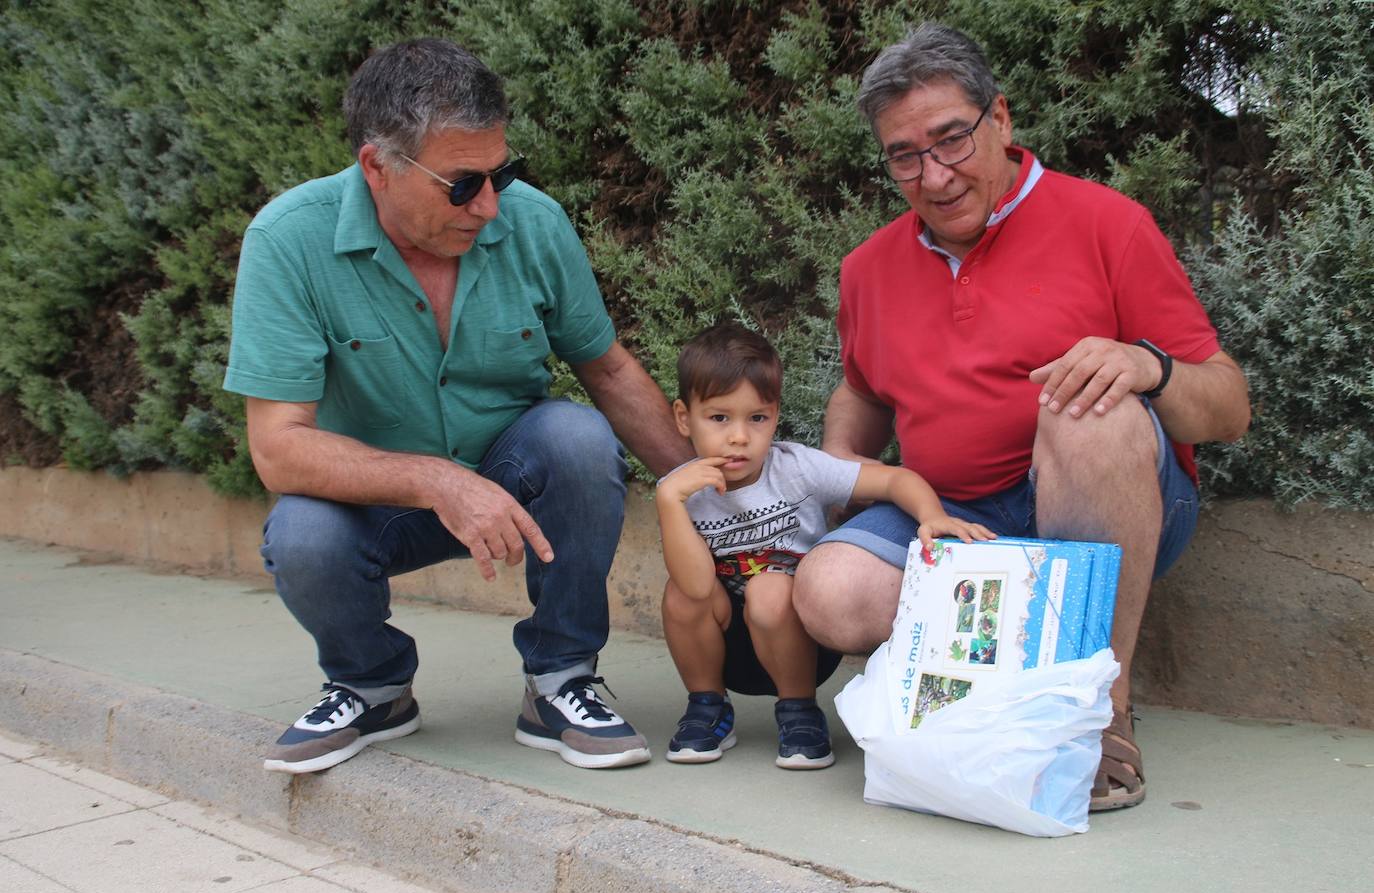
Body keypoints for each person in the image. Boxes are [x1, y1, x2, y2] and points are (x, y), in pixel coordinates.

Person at [792, 23, 1251, 810]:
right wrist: (841, 484)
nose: (935, 176)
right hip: (953, 517)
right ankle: (981, 686)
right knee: (830, 591)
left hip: (1105, 500)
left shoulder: (1107, 223)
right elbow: (863, 392)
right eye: (905, 156)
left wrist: (1149, 366)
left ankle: (1097, 712)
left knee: (1089, 410)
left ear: (999, 118)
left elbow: (1230, 405)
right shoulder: (867, 268)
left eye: (952, 139)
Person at [223, 38, 691, 775]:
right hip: (378, 505)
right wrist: (437, 482)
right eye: (463, 183)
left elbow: (607, 369)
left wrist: (711, 503)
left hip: (511, 479)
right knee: (302, 532)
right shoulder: (287, 241)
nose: (489, 204)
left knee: (576, 437)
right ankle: (372, 685)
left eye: (501, 174)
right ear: (377, 166)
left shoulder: (533, 222)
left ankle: (561, 679)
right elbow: (278, 447)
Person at [655, 324, 992, 768]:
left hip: (802, 640)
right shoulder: (680, 491)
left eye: (757, 418)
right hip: (725, 651)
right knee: (680, 594)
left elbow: (894, 480)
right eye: (719, 418)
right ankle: (707, 707)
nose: (739, 436)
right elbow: (697, 589)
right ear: (684, 418)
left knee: (768, 587)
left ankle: (799, 711)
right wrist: (668, 501)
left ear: (775, 415)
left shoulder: (797, 468)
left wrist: (931, 515)